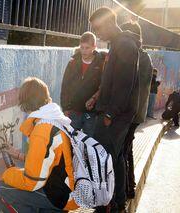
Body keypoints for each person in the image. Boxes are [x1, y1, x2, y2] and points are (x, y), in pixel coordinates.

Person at [0, 77, 79, 212]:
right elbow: (47, 160)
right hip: (67, 188)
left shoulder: (42, 130)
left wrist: (6, 175)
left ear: (25, 102)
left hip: (61, 195)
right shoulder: (55, 119)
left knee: (0, 188)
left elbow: (32, 181)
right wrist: (18, 155)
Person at [89, 7, 140, 212]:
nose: (97, 34)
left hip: (116, 115)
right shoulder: (118, 44)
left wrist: (110, 113)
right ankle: (116, 202)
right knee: (115, 158)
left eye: (98, 29)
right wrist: (97, 98)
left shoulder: (125, 45)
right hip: (114, 112)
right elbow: (112, 81)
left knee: (105, 158)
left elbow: (124, 84)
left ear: (109, 23)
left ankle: (108, 204)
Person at [120, 22, 153, 199]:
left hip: (129, 113)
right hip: (137, 113)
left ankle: (125, 189)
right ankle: (130, 187)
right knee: (128, 150)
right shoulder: (145, 56)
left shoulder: (136, 56)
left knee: (122, 152)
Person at [60, 31, 105, 137]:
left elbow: (104, 86)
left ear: (94, 47)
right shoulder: (73, 62)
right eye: (82, 47)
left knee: (90, 143)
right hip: (73, 111)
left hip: (92, 112)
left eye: (87, 48)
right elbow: (65, 86)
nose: (84, 51)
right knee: (71, 141)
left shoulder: (101, 63)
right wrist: (65, 108)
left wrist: (95, 100)